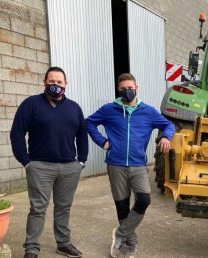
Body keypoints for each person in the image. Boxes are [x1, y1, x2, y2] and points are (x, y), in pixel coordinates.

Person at [85, 73, 174, 258]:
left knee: (144, 200)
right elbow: (89, 123)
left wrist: (166, 136)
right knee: (122, 205)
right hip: (115, 164)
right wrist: (102, 142)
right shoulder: (109, 109)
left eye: (130, 88)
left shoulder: (148, 111)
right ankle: (131, 243)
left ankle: (120, 233)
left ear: (137, 88)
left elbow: (168, 125)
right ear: (119, 90)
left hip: (138, 165)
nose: (127, 91)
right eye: (124, 88)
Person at [10, 67, 88, 258]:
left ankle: (63, 243)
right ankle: (31, 249)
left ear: (65, 84)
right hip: (40, 167)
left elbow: (82, 136)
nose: (55, 85)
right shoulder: (31, 104)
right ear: (44, 82)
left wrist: (81, 162)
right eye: (51, 82)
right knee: (38, 209)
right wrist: (26, 162)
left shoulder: (74, 108)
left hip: (69, 167)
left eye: (59, 82)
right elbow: (16, 133)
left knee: (63, 208)